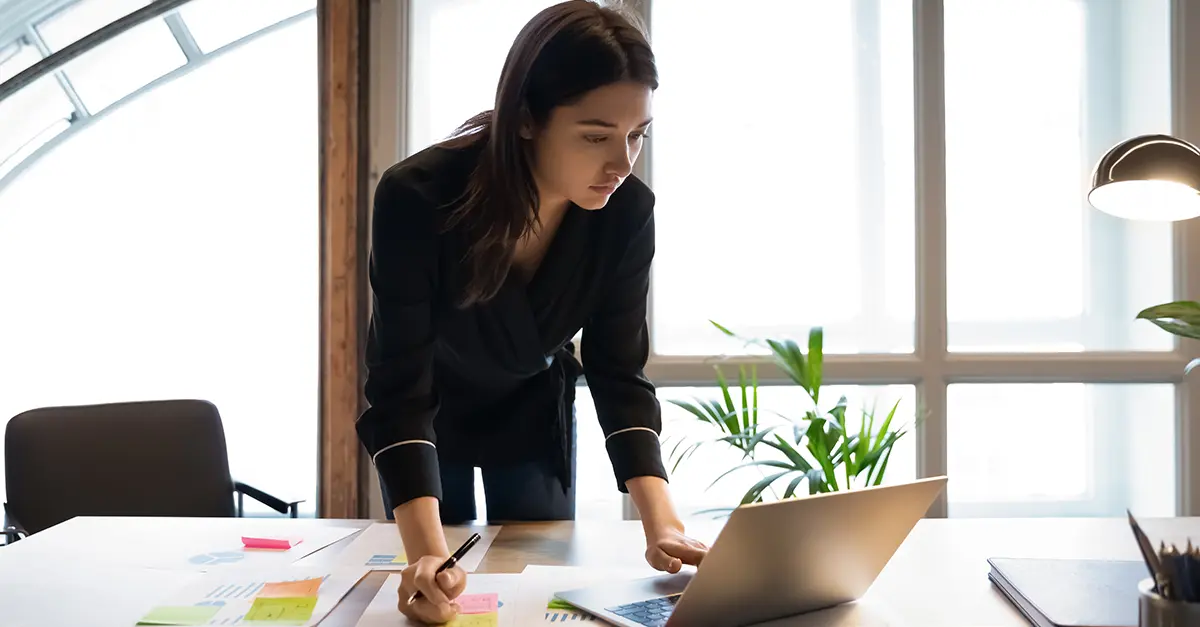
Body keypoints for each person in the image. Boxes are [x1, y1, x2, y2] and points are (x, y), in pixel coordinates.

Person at [356, 1, 709, 623]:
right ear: (524, 120)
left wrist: (664, 524)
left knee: (533, 586)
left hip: (531, 405)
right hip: (428, 411)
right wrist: (427, 564)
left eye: (638, 134)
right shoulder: (418, 197)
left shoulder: (627, 213)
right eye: (596, 136)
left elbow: (617, 369)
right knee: (440, 583)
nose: (622, 163)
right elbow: (398, 386)